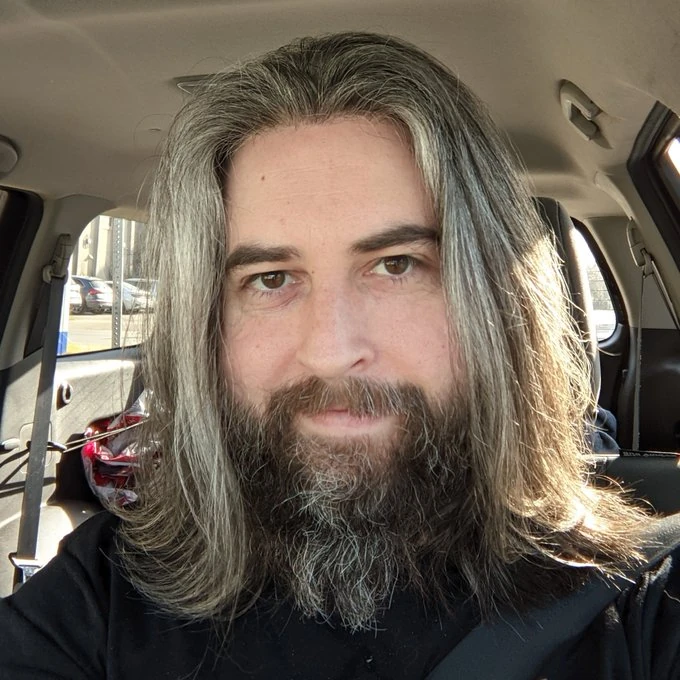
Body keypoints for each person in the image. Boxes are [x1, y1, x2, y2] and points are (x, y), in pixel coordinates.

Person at [1, 31, 679, 680]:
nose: (330, 350)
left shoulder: (642, 610)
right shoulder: (103, 599)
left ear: (501, 302)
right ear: (205, 329)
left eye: (396, 265)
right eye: (270, 279)